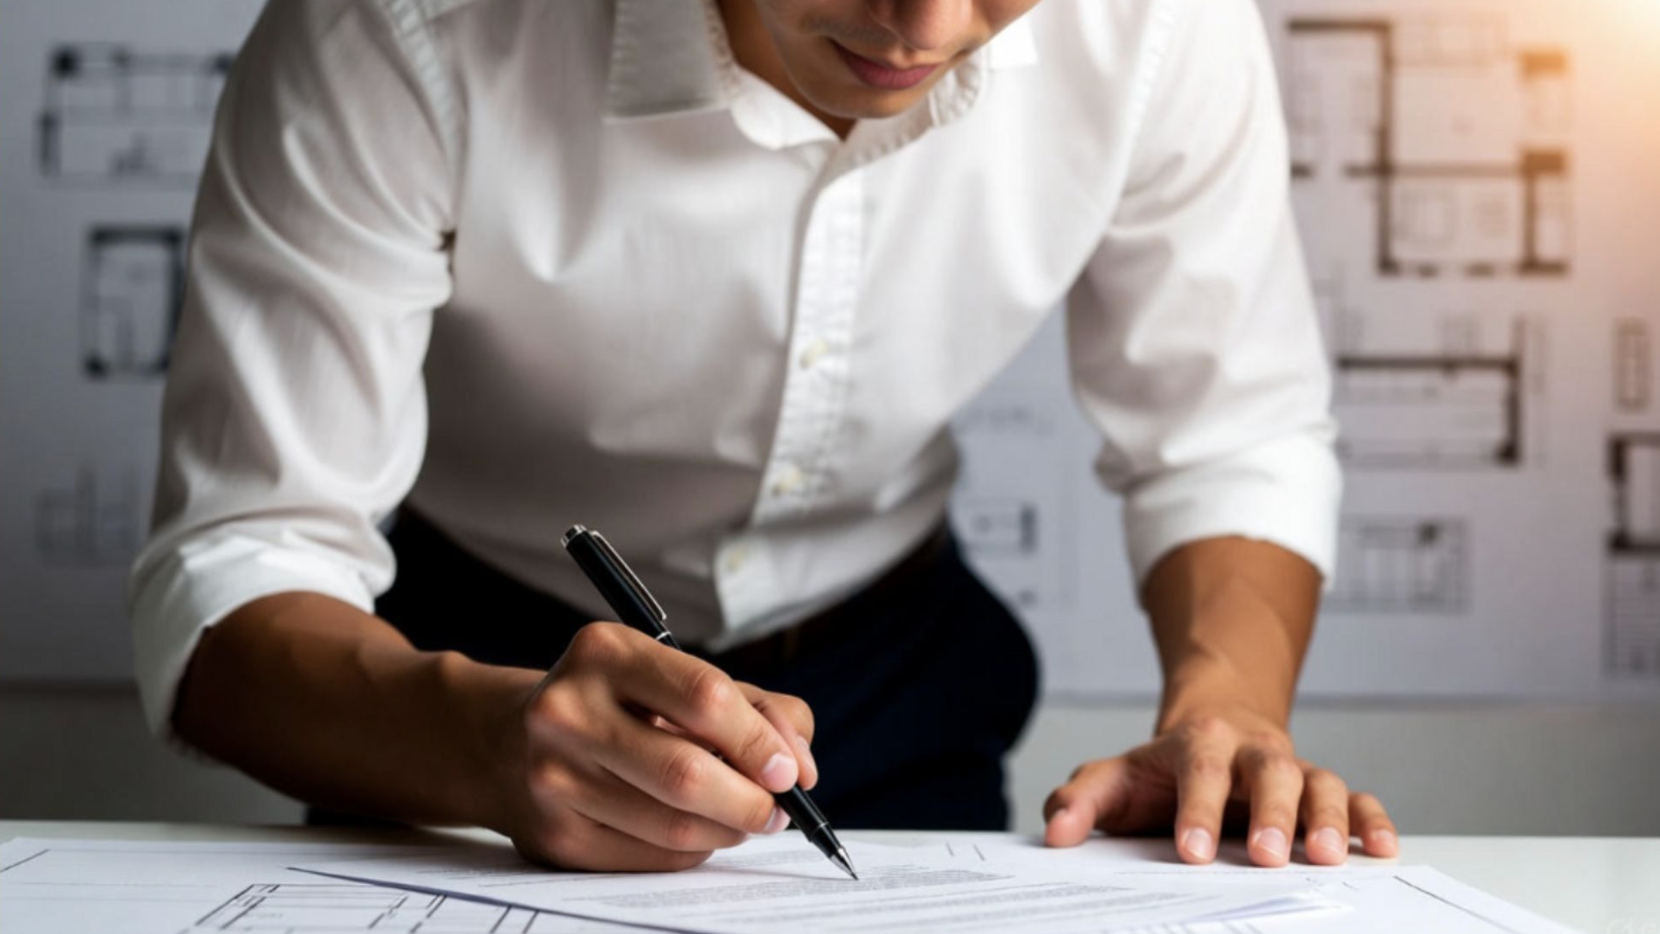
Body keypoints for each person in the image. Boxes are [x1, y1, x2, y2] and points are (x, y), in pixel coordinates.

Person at [131, 0, 1400, 873]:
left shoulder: (1156, 24)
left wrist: (1228, 711)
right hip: (456, 666)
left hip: (894, 665)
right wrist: (478, 744)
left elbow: (1226, 431)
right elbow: (243, 566)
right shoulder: (402, 30)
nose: (924, 27)